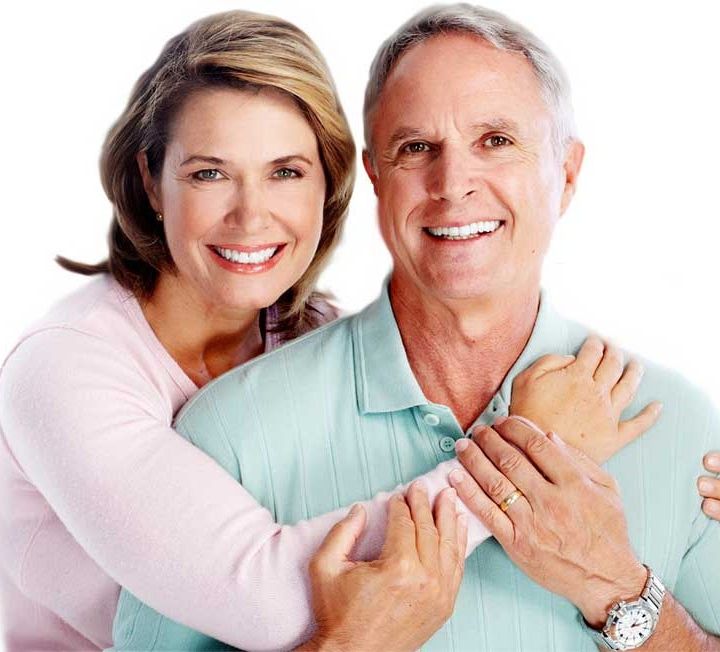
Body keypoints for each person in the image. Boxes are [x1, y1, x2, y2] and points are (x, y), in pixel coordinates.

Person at [0, 9, 664, 651]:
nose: (251, 216)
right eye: (209, 173)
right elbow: (271, 603)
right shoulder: (63, 369)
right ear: (150, 181)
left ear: (332, 182)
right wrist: (530, 450)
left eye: (286, 172)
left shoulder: (309, 337)